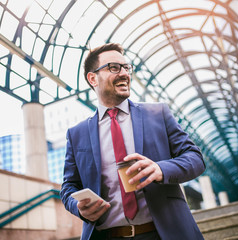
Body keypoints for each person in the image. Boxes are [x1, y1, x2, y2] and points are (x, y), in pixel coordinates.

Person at [60, 43, 206, 240]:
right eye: (114, 67)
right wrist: (78, 208)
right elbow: (69, 187)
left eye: (126, 67)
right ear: (92, 78)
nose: (124, 74)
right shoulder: (76, 134)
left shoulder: (158, 114)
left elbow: (195, 158)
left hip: (163, 233)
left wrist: (161, 169)